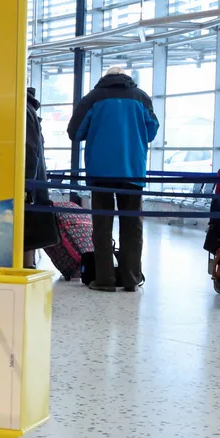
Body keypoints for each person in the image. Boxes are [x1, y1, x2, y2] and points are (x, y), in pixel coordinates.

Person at [67, 67, 159, 292]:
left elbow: (74, 132)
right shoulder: (141, 97)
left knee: (102, 226)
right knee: (132, 226)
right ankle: (131, 279)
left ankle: (105, 279)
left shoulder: (93, 97)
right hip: (132, 169)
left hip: (101, 171)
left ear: (104, 78)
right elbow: (152, 129)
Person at [24, 87, 48, 269]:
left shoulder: (22, 110)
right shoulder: (29, 109)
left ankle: (26, 267)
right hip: (34, 178)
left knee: (25, 224)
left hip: (27, 180)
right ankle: (27, 265)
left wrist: (27, 182)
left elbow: (29, 150)